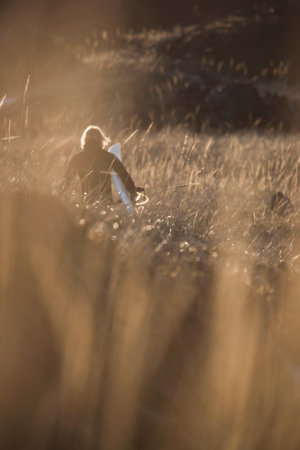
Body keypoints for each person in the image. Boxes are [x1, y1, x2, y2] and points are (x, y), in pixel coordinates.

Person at [63, 125, 136, 205]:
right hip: (107, 203)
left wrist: (66, 200)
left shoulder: (77, 158)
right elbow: (124, 176)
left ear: (84, 140)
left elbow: (66, 183)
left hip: (86, 204)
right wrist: (133, 192)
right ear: (101, 140)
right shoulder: (109, 157)